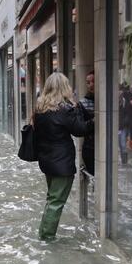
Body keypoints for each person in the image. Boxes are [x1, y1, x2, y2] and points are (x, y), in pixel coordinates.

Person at [32, 72, 94, 241]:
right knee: (56, 202)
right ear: (63, 88)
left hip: (47, 161)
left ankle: (44, 234)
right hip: (61, 163)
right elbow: (80, 130)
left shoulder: (40, 108)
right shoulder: (64, 109)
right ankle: (46, 238)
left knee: (52, 199)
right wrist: (97, 119)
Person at [79, 71, 95, 176]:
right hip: (89, 148)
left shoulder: (111, 100)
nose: (91, 85)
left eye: (93, 81)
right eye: (88, 82)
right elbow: (81, 128)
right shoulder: (82, 103)